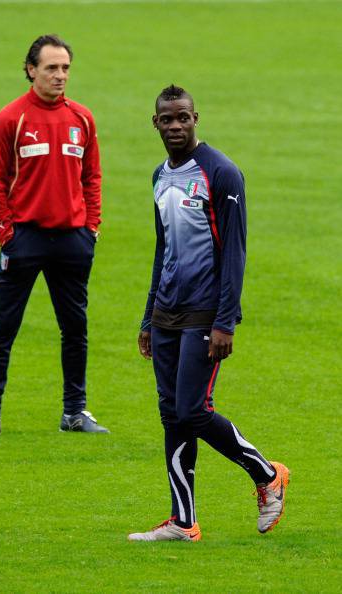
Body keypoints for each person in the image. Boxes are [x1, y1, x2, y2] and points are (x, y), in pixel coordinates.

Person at [128, 85, 289, 542]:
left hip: (205, 313)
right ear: (155, 123)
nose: (176, 125)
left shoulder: (221, 173)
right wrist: (148, 317)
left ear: (196, 118)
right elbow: (163, 250)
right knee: (172, 414)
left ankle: (267, 474)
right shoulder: (160, 176)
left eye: (183, 117)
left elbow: (235, 252)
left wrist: (225, 320)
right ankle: (183, 521)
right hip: (167, 313)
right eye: (167, 119)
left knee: (193, 410)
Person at [0, 34, 108, 436]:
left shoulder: (82, 119)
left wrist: (91, 228)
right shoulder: (9, 120)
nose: (60, 75)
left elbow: (92, 177)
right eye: (51, 68)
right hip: (25, 239)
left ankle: (75, 411)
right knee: (4, 328)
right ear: (31, 70)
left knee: (75, 329)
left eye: (65, 68)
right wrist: (6, 234)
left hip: (72, 240)